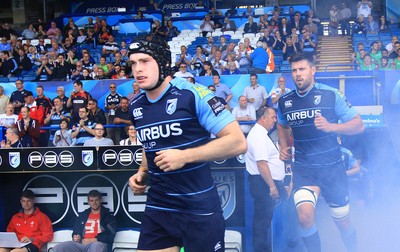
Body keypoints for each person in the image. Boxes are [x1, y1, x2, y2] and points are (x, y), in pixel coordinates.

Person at [127, 35, 246, 252]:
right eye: (133, 63)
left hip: (199, 209)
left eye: (145, 61)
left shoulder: (194, 94)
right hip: (159, 207)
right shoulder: (136, 105)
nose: (138, 69)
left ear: (163, 62)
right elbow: (149, 143)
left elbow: (237, 142)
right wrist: (142, 171)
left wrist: (184, 156)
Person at [277, 52, 364, 252]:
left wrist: (331, 127)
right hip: (305, 170)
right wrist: (283, 146)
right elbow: (282, 125)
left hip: (333, 169)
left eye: (302, 69)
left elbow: (358, 125)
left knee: (343, 222)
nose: (298, 74)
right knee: (304, 218)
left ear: (313, 70)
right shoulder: (285, 101)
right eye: (294, 71)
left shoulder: (331, 95)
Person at [245, 107, 286, 252]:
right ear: (264, 118)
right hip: (263, 183)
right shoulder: (258, 135)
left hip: (266, 182)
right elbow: (261, 163)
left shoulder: (262, 134)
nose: (275, 121)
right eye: (273, 117)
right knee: (262, 221)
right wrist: (272, 186)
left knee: (264, 221)